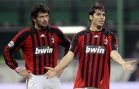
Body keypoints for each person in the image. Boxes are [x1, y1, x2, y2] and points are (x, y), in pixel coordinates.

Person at [45, 3, 136, 89]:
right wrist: (57, 69)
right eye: (98, 14)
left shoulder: (110, 36)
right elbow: (70, 55)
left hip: (101, 86)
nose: (102, 17)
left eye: (103, 15)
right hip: (81, 86)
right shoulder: (80, 36)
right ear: (91, 17)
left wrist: (122, 63)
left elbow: (113, 52)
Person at [3, 3, 70, 89]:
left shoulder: (55, 32)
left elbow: (69, 46)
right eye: (41, 17)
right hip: (34, 79)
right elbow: (7, 50)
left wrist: (62, 67)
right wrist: (18, 69)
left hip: (52, 76)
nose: (45, 19)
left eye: (46, 16)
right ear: (34, 19)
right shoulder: (25, 34)